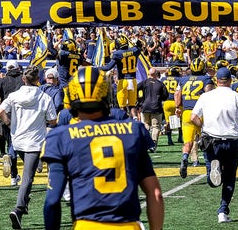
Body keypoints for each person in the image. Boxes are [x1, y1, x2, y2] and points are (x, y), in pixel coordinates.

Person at [42, 66, 164, 230]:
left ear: (72, 96)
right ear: (106, 94)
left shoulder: (60, 137)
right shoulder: (133, 131)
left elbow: (52, 202)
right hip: (128, 226)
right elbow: (155, 193)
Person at [191, 66, 238, 223]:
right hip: (232, 141)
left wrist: (204, 126)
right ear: (230, 81)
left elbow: (193, 117)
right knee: (229, 178)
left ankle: (213, 170)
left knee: (212, 178)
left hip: (212, 139)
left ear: (216, 80)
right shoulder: (237, 97)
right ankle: (222, 210)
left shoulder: (206, 96)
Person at [0, 65, 57, 230]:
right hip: (35, 141)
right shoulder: (44, 97)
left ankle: (24, 201)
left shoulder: (14, 96)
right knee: (28, 177)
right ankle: (19, 208)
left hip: (18, 140)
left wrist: (9, 123)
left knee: (29, 174)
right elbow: (52, 121)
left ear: (24, 79)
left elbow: (0, 111)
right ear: (39, 80)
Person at [175, 58, 214, 178]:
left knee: (188, 142)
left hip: (186, 113)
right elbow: (209, 95)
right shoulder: (206, 79)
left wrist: (178, 107)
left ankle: (185, 157)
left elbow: (177, 94)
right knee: (207, 141)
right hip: (201, 113)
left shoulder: (183, 79)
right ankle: (210, 169)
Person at [0, 60, 24, 183]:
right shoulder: (23, 79)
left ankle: (13, 176)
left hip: (7, 114)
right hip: (23, 114)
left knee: (11, 142)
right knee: (26, 142)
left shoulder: (2, 80)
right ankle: (32, 166)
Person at [100, 34, 141, 117]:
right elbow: (139, 46)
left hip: (123, 81)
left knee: (122, 106)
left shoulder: (117, 54)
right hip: (133, 80)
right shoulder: (135, 50)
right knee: (132, 105)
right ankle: (135, 119)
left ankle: (123, 122)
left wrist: (96, 68)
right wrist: (138, 42)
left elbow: (108, 67)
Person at [137, 67, 169, 152]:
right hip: (156, 107)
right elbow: (166, 95)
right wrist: (160, 99)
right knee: (156, 126)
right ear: (156, 74)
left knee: (146, 125)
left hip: (145, 106)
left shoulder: (144, 82)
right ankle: (153, 144)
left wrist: (140, 100)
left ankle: (145, 143)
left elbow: (135, 89)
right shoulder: (160, 83)